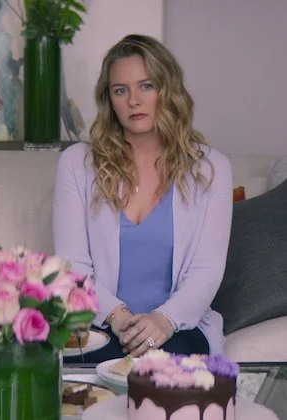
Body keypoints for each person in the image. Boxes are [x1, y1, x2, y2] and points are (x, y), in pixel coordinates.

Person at [53, 34, 233, 363]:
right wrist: (119, 318)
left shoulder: (211, 168)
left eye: (146, 86)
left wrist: (162, 321)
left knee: (165, 367)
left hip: (177, 327)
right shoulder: (78, 164)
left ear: (168, 91)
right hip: (101, 323)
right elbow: (72, 266)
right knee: (88, 365)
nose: (133, 100)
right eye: (121, 90)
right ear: (110, 100)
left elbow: (206, 271)